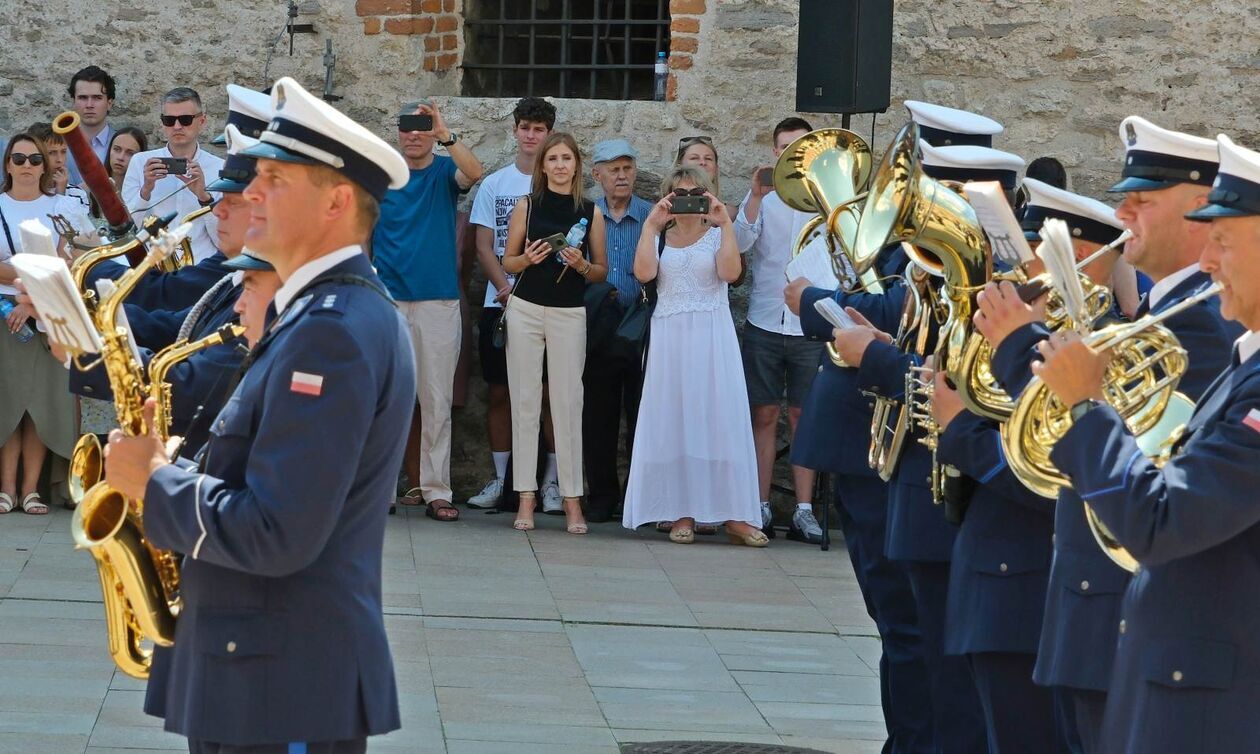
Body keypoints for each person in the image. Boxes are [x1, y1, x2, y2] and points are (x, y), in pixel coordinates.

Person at [103, 75, 415, 752]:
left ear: (335, 201)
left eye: (274, 179)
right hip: (265, 676)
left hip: (283, 685)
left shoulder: (331, 329)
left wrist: (155, 480)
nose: (251, 194)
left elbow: (279, 530)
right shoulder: (316, 314)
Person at [976, 116, 1239, 753]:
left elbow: (1131, 451)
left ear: (1200, 207)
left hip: (1121, 610)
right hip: (1092, 608)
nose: (1123, 212)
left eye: (1142, 201)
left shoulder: (1204, 323)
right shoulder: (1169, 310)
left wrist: (1018, 352)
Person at [831, 129, 1020, 754]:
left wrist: (877, 359)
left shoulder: (1001, 285)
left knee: (951, 684)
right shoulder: (933, 280)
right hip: (917, 491)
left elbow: (967, 391)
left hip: (955, 496)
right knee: (923, 663)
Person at [931, 179, 1126, 754]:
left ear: (1079, 255)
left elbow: (1055, 476)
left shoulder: (1094, 348)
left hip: (1026, 590)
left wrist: (957, 428)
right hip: (993, 583)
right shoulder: (1033, 334)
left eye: (1033, 245)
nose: (1017, 261)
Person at [66, 121, 266, 456]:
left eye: (232, 200)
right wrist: (86, 320)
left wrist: (92, 349)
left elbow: (190, 383)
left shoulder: (270, 288)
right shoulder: (240, 275)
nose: (217, 208)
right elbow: (174, 326)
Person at [622, 165, 767, 546]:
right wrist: (651, 227)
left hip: (712, 333)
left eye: (696, 192)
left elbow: (731, 272)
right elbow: (642, 273)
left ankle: (735, 515)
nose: (687, 199)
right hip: (671, 335)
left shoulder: (718, 234)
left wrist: (726, 226)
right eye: (679, 192)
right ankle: (680, 510)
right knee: (675, 418)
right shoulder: (660, 236)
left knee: (720, 417)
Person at [374, 99, 484, 522]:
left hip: (437, 299)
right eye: (408, 126)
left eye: (421, 126)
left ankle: (437, 488)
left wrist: (446, 135)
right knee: (384, 398)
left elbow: (473, 173)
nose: (414, 134)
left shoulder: (443, 171)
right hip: (387, 298)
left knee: (436, 399)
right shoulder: (381, 171)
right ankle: (380, 488)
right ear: (398, 131)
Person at [500, 131, 607, 534]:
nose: (560, 165)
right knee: (525, 402)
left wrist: (580, 264)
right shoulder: (527, 206)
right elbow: (507, 263)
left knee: (567, 404)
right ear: (543, 166)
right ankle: (525, 496)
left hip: (569, 313)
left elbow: (601, 271)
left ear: (577, 164)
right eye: (553, 159)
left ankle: (571, 499)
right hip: (526, 309)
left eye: (567, 158)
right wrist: (526, 258)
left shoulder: (590, 211)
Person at [734, 116, 826, 543]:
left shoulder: (829, 199)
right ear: (775, 152)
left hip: (810, 323)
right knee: (764, 414)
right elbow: (739, 245)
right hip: (766, 320)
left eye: (801, 147)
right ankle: (760, 503)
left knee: (804, 416)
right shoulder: (764, 200)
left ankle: (805, 509)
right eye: (787, 147)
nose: (793, 155)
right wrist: (754, 196)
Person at [468, 96, 556, 510]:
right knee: (500, 393)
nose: (531, 135)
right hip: (498, 302)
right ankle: (503, 481)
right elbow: (484, 245)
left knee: (547, 395)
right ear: (514, 130)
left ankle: (552, 483)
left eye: (539, 129)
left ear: (549, 134)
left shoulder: (558, 183)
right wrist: (504, 286)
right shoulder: (496, 184)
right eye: (525, 127)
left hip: (547, 303)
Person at [0, 134, 80, 514]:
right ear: (8, 165)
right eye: (20, 158)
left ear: (44, 166)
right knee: (9, 402)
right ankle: (6, 488)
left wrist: (28, 298)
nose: (28, 166)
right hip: (5, 314)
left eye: (35, 159)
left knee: (40, 406)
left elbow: (67, 264)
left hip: (47, 315)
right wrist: (29, 280)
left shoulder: (61, 206)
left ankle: (31, 489)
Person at [583, 138, 652, 523]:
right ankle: (602, 496)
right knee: (599, 414)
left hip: (643, 322)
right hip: (600, 323)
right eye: (613, 169)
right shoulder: (586, 214)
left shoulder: (652, 215)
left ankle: (638, 496)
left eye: (627, 167)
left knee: (643, 412)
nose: (622, 175)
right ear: (597, 175)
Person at [120, 86, 223, 263]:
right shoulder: (140, 162)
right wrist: (146, 190)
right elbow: (127, 230)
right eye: (169, 120)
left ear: (202, 121)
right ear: (162, 123)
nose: (177, 126)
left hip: (201, 267)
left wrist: (204, 197)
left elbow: (224, 241)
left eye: (185, 119)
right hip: (153, 267)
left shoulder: (219, 167)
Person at [65, 65, 116, 186]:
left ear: (109, 103)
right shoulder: (57, 143)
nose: (89, 105)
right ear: (74, 102)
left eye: (97, 98)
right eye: (83, 97)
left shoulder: (122, 144)